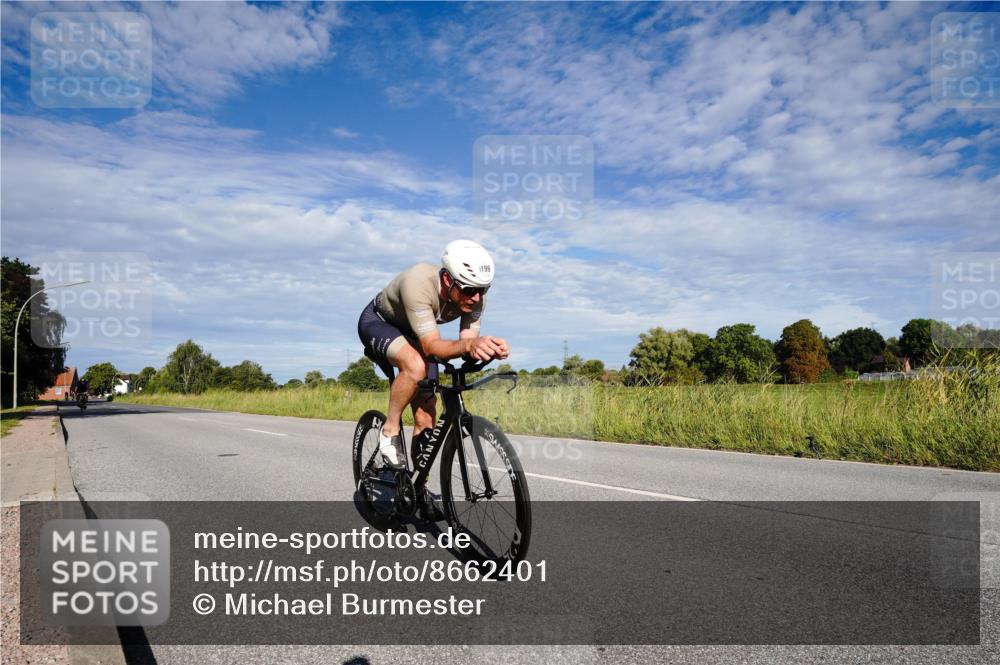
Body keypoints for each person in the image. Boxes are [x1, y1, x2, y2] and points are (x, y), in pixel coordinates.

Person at [357, 240, 509, 477]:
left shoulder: (476, 293)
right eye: (469, 290)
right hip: (379, 323)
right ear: (448, 280)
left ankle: (419, 488)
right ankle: (390, 428)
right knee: (416, 366)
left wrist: (485, 348)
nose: (476, 297)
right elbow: (431, 347)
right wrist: (469, 345)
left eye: (483, 290)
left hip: (416, 332)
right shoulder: (417, 284)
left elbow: (467, 339)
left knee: (427, 411)